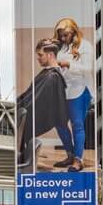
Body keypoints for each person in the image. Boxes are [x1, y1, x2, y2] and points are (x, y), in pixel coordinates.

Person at [17, 38, 71, 171]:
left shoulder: (52, 76)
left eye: (40, 55)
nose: (38, 58)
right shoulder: (48, 74)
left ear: (50, 55)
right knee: (62, 127)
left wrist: (22, 108)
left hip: (64, 104)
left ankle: (72, 156)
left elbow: (38, 99)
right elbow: (32, 94)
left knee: (62, 127)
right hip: (41, 108)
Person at [52, 17, 95, 172]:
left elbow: (87, 68)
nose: (63, 38)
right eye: (61, 35)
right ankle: (70, 154)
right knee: (59, 123)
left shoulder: (85, 46)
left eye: (66, 35)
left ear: (73, 31)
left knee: (77, 125)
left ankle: (78, 160)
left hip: (80, 89)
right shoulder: (61, 47)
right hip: (63, 90)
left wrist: (69, 64)